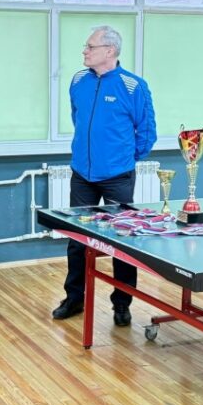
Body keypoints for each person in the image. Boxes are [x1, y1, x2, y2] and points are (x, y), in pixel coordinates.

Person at [53, 25, 157, 327]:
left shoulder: (133, 86)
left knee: (122, 242)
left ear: (109, 51)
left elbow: (146, 131)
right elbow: (77, 117)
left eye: (90, 47)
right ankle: (74, 298)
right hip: (81, 175)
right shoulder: (78, 80)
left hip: (117, 177)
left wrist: (124, 159)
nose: (84, 51)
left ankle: (122, 304)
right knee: (77, 241)